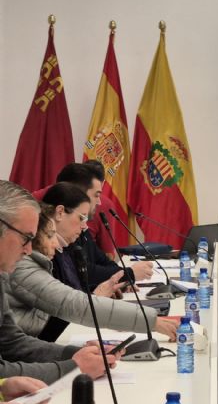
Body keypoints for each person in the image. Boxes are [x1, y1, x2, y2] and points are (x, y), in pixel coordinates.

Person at [0, 180, 121, 384]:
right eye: (26, 238)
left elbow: (11, 343)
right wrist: (72, 368)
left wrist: (76, 355)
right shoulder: (15, 269)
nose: (29, 250)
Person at [8, 203, 178, 341]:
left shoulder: (37, 263)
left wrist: (96, 295)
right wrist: (151, 321)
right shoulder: (22, 269)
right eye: (50, 235)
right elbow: (73, 305)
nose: (56, 243)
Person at [34, 163, 153, 289]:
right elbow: (79, 280)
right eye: (96, 195)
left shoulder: (72, 234)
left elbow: (99, 261)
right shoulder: (47, 250)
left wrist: (117, 282)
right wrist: (128, 275)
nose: (100, 201)